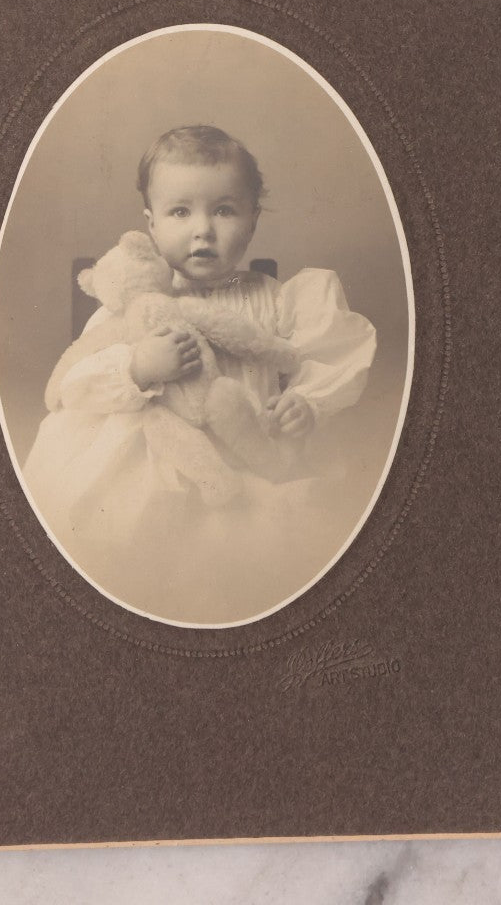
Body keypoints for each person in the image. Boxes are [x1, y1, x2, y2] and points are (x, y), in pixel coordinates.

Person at [23, 125, 376, 625]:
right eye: (180, 212)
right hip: (158, 462)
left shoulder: (275, 300)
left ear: (253, 220)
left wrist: (306, 403)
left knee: (266, 549)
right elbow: (72, 388)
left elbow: (321, 358)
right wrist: (139, 365)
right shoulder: (135, 305)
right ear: (151, 225)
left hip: (248, 457)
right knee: (134, 535)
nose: (203, 229)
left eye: (225, 210)